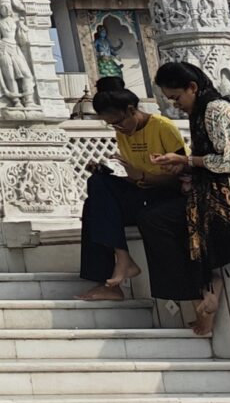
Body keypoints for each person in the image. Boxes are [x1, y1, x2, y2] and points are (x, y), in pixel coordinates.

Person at [143, 60, 230, 337]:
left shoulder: (217, 110)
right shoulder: (202, 111)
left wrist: (187, 160)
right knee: (158, 213)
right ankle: (203, 294)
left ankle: (203, 295)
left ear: (192, 87)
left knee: (159, 219)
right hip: (216, 188)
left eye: (176, 97)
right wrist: (183, 166)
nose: (175, 105)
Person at [76, 78, 184, 300]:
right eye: (112, 126)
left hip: (165, 196)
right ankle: (120, 262)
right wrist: (109, 171)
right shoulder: (123, 133)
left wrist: (143, 176)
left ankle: (117, 271)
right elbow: (133, 175)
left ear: (131, 110)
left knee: (94, 204)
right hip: (141, 192)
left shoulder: (163, 127)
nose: (119, 129)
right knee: (97, 185)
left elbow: (182, 177)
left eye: (119, 122)